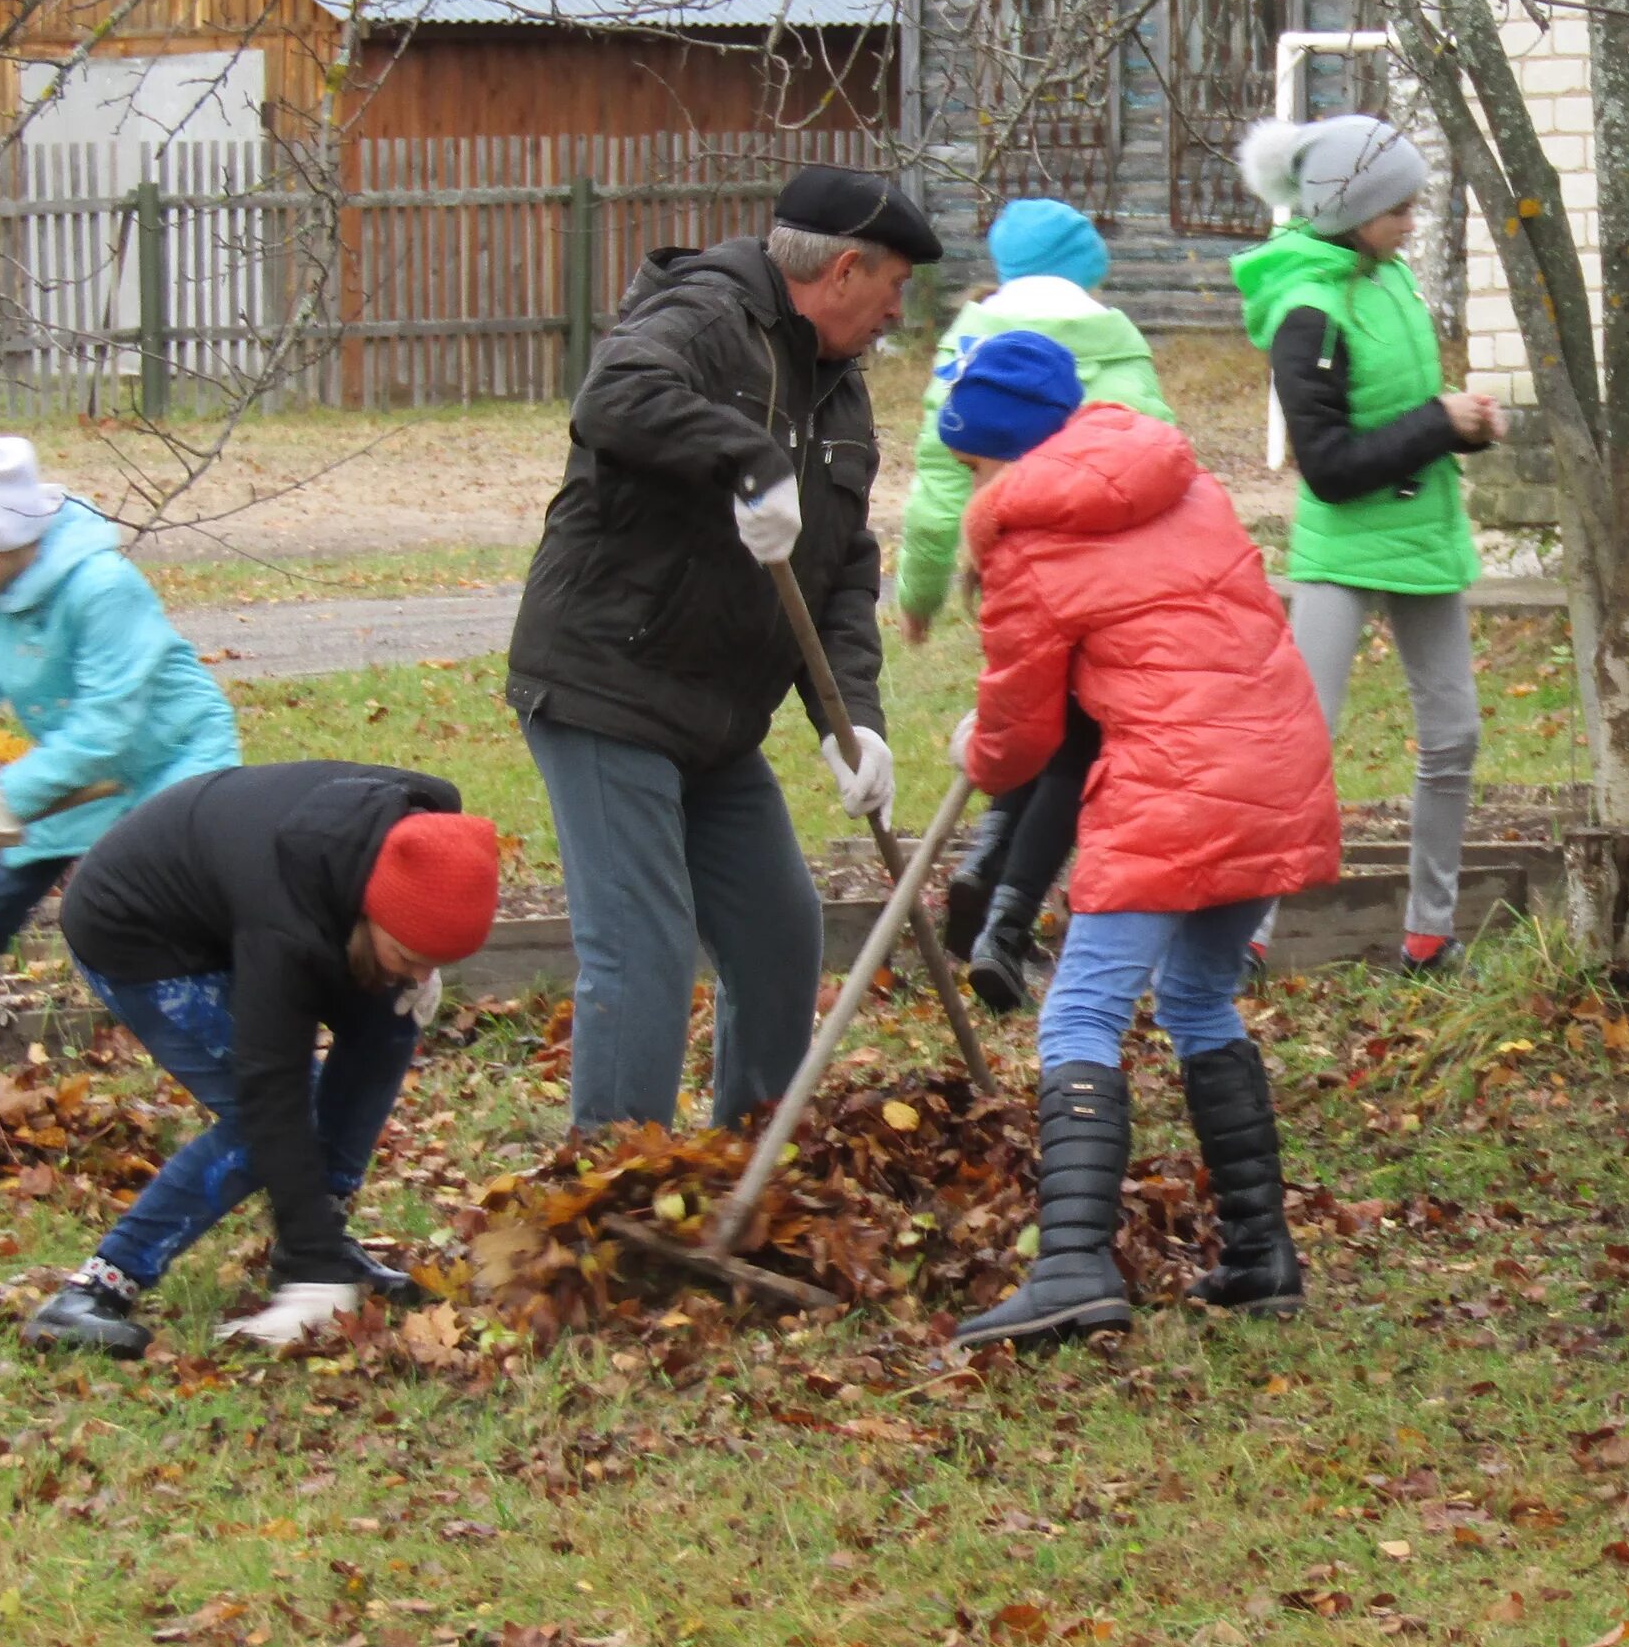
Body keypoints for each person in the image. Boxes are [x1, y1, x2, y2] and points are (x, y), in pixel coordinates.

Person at [504, 165, 940, 1132]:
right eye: (894, 288)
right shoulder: (707, 315)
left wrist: (851, 723)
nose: (895, 314)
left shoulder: (840, 392)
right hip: (609, 685)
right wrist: (745, 455)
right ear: (844, 270)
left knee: (779, 933)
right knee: (643, 943)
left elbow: (841, 569)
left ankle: (751, 1152)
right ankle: (618, 1193)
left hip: (715, 720)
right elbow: (614, 398)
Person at [935, 332, 1340, 1350]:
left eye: (974, 462)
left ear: (1006, 453)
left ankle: (1071, 1268)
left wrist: (975, 753)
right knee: (1201, 997)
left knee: (1077, 1018)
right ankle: (1261, 1257)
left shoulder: (1028, 537)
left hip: (1174, 780)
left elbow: (1023, 732)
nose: (974, 482)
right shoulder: (1183, 483)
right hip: (1279, 760)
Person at [18, 762, 500, 1355]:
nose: (424, 972)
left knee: (391, 1017)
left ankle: (321, 1235)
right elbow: (271, 1090)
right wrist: (312, 1273)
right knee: (264, 1121)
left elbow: (392, 960)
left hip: (240, 904)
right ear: (369, 911)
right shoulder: (286, 923)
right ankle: (95, 1288)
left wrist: (313, 1244)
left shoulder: (425, 835)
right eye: (409, 953)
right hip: (139, 931)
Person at [1231, 116, 1497, 972]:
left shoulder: (1386, 282)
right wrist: (1436, 424)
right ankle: (1242, 938)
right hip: (1342, 551)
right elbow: (1330, 468)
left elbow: (1403, 411)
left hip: (1421, 539)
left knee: (1454, 735)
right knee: (1302, 744)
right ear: (1350, 207)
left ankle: (1430, 931)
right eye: (1401, 209)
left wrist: (1461, 424)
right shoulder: (1307, 311)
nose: (1413, 223)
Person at [898, 197, 1177, 1009]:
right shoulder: (1116, 338)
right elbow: (1152, 451)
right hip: (1098, 564)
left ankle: (988, 862)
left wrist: (920, 591)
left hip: (1002, 558)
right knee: (1076, 740)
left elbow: (936, 483)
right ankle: (1009, 923)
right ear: (1087, 267)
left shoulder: (967, 340)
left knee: (1029, 718)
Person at [0, 436, 240, 1066]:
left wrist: (13, 797)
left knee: (182, 922)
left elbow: (108, 721)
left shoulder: (102, 587)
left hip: (175, 767)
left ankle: (269, 1034)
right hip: (79, 783)